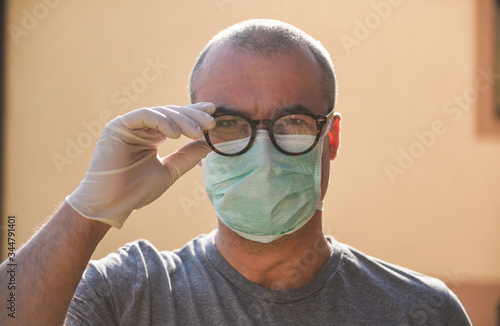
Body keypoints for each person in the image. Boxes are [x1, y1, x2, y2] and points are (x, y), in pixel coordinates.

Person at [0, 19, 471, 325]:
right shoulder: (128, 293)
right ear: (197, 137)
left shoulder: (420, 311)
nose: (261, 153)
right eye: (229, 124)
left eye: (291, 123)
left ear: (330, 139)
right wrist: (88, 212)